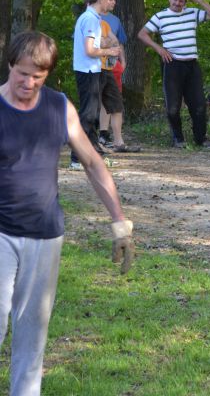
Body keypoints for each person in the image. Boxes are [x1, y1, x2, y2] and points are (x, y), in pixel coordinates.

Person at [0, 31, 134, 396]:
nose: (28, 83)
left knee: (32, 334)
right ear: (10, 65)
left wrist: (120, 223)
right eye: (21, 74)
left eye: (37, 77)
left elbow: (92, 162)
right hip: (1, 232)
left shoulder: (58, 107)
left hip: (45, 234)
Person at [138, 0, 210, 148]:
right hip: (172, 65)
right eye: (175, 0)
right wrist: (159, 49)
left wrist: (199, 0)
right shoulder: (160, 16)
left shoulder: (192, 13)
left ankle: (200, 139)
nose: (177, 3)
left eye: (181, 1)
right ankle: (178, 139)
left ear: (185, 2)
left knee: (199, 104)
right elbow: (142, 34)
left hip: (192, 65)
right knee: (173, 107)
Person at [71, 0, 122, 169]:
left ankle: (93, 155)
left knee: (91, 114)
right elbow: (90, 50)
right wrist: (110, 51)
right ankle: (77, 158)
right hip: (87, 71)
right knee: (88, 114)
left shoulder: (90, 18)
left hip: (91, 70)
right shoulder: (91, 20)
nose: (110, 2)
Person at [97, 0, 140, 153]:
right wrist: (107, 43)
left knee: (115, 101)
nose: (113, 2)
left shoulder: (114, 20)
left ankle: (117, 141)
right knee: (100, 102)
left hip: (113, 64)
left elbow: (118, 42)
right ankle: (101, 136)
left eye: (115, 0)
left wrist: (123, 61)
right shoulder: (91, 18)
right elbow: (93, 43)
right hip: (96, 65)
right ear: (102, 0)